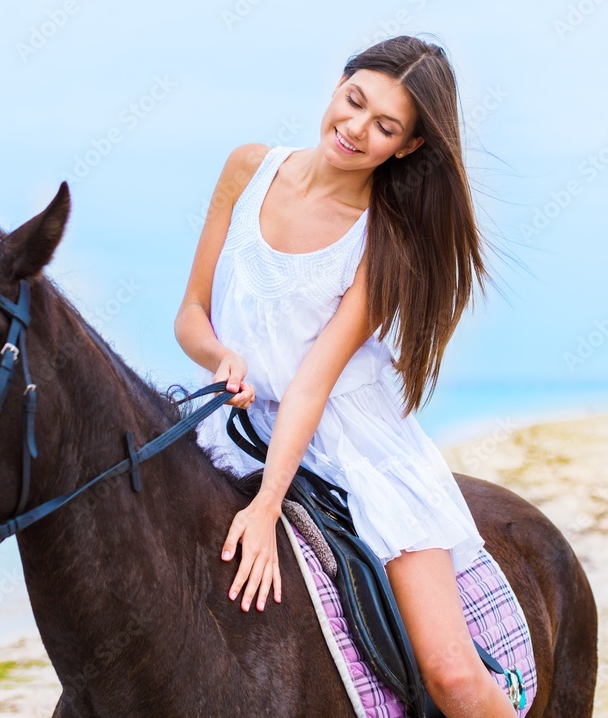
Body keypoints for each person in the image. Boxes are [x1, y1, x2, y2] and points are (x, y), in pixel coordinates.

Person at [174, 35, 517, 718]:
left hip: (351, 440)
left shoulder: (386, 237)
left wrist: (268, 503)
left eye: (385, 126)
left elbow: (311, 383)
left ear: (409, 147)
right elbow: (190, 314)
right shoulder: (247, 168)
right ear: (338, 85)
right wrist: (221, 359)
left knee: (450, 674)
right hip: (235, 422)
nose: (356, 128)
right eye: (354, 101)